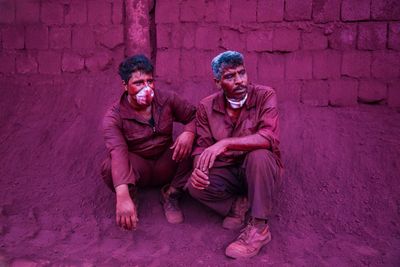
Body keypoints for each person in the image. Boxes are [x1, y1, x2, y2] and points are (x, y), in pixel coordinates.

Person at [187, 51, 283, 259]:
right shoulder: (206, 106)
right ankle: (238, 205)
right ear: (218, 82)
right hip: (228, 173)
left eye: (242, 73)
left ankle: (259, 228)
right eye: (230, 76)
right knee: (195, 185)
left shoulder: (265, 95)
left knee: (260, 155)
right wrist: (199, 169)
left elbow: (268, 137)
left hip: (260, 171)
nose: (239, 81)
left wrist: (225, 143)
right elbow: (202, 147)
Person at [101, 54, 196, 230]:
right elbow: (118, 151)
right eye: (138, 83)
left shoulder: (167, 99)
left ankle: (172, 193)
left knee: (196, 143)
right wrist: (122, 196)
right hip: (139, 168)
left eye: (149, 81)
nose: (147, 88)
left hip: (166, 162)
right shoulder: (113, 117)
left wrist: (189, 132)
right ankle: (132, 194)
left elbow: (194, 116)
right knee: (109, 166)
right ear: (125, 86)